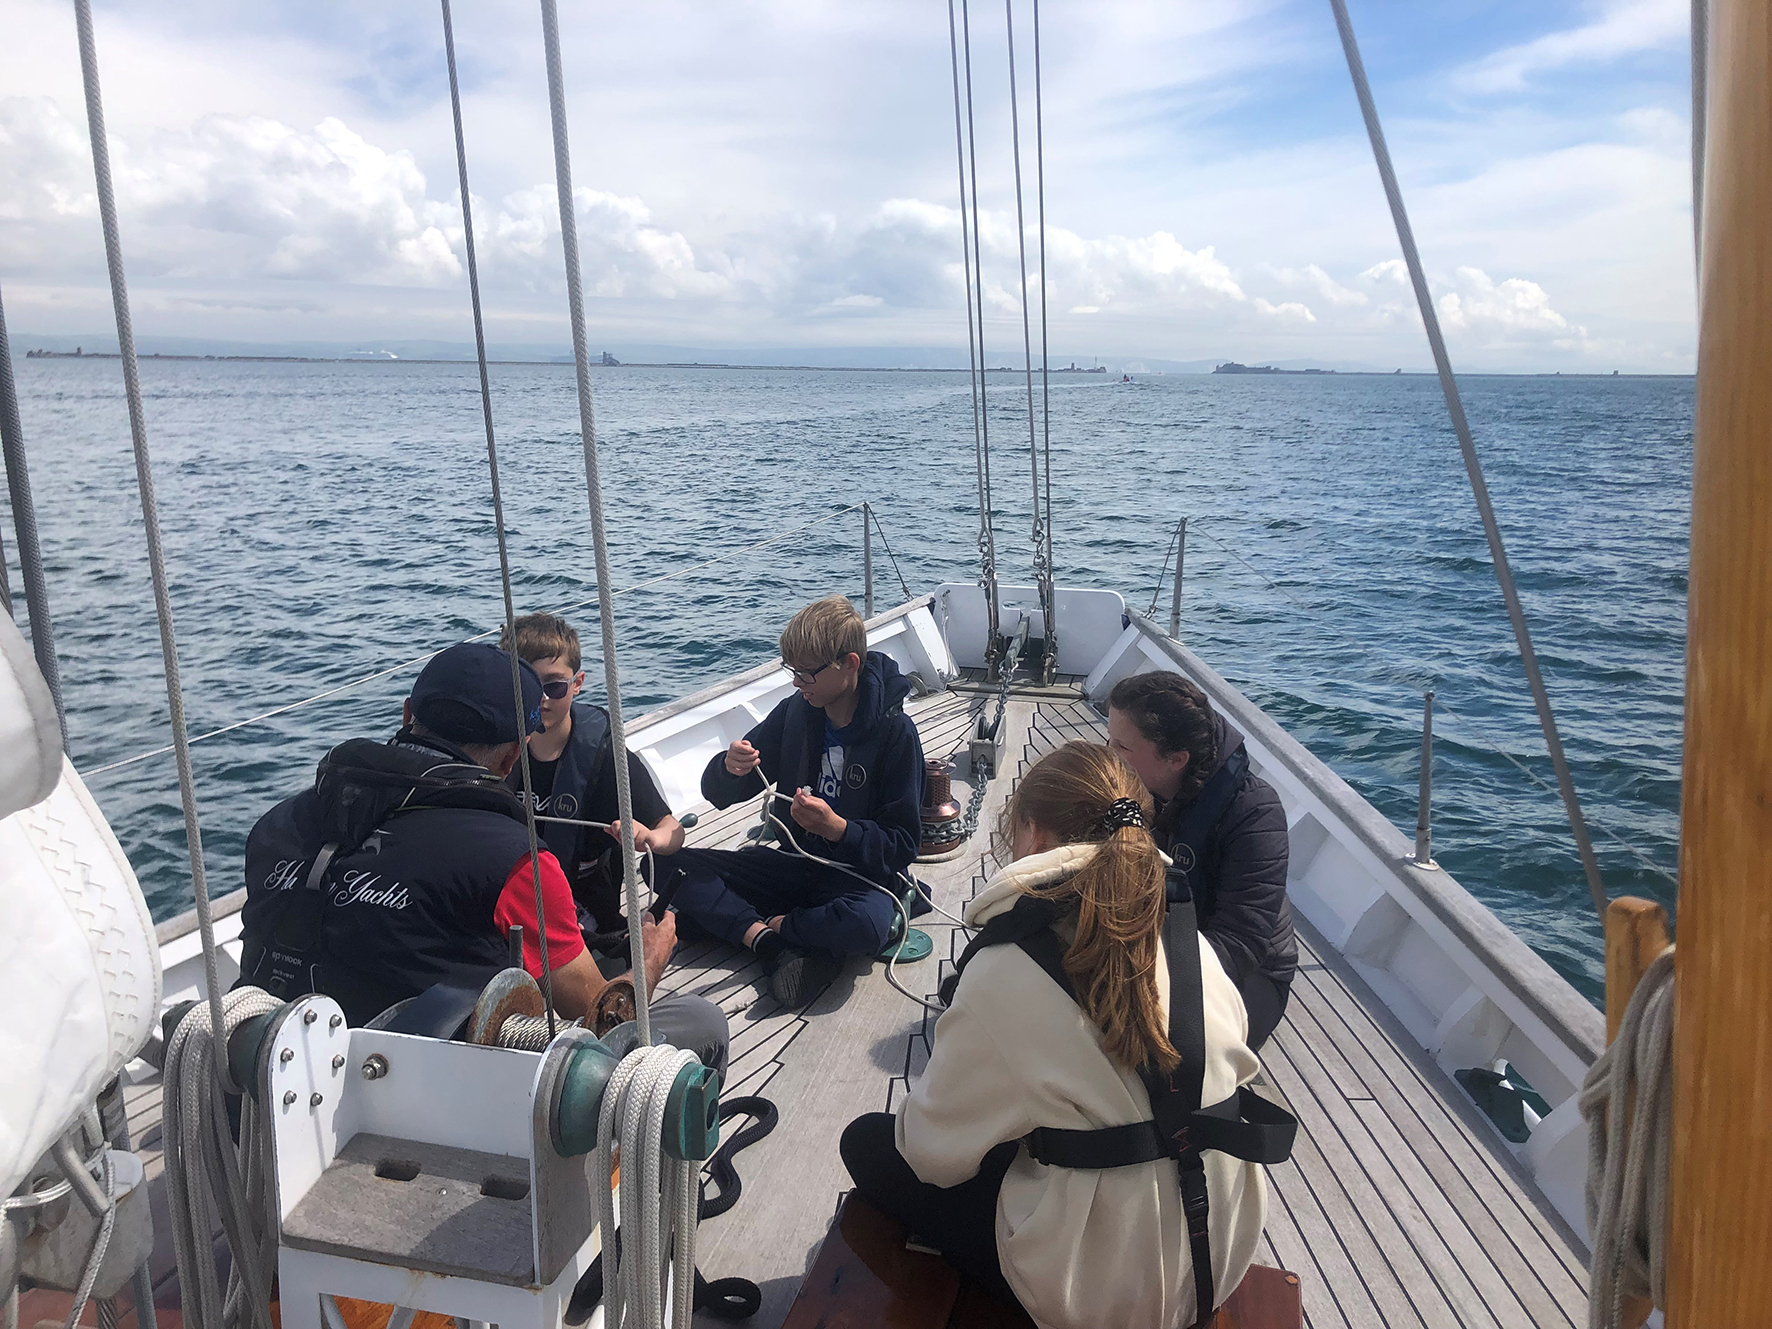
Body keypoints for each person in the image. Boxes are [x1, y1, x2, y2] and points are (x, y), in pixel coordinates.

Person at [840, 742, 1267, 1329]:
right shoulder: (1194, 942)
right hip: (1217, 1256)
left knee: (867, 1141)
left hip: (1099, 1299)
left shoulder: (1005, 968)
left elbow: (929, 1156)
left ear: (1034, 834)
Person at [238, 642, 726, 1072]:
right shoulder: (515, 862)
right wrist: (651, 958)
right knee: (702, 1022)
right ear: (514, 756)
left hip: (272, 1068)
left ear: (409, 715)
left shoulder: (277, 824)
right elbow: (597, 1020)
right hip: (430, 1093)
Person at [672, 596, 925, 1004]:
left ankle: (758, 927)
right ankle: (773, 942)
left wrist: (838, 829)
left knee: (865, 924)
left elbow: (900, 847)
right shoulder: (795, 713)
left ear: (850, 664)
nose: (796, 682)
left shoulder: (896, 734)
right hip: (794, 866)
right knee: (669, 864)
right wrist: (728, 767)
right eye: (793, 671)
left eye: (806, 673)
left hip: (857, 882)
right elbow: (719, 792)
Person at [1105, 670, 1296, 1050]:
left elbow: (1241, 943)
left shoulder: (1255, 813)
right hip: (1154, 939)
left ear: (1176, 759)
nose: (1107, 753)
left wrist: (1143, 979)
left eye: (1121, 747)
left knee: (1154, 1061)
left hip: (1245, 974)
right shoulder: (1132, 789)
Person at [499, 612, 684, 939]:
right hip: (505, 901)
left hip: (581, 913)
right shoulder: (493, 750)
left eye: (554, 686)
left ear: (577, 684)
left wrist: (650, 839)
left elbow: (672, 831)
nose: (541, 699)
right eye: (524, 683)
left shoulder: (606, 759)